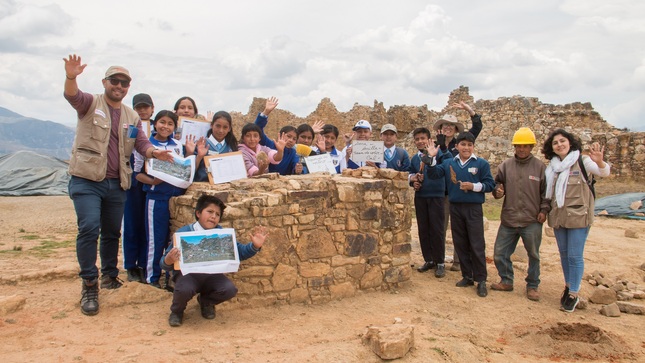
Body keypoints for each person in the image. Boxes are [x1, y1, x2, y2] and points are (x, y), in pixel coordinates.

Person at [63, 54, 173, 316]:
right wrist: (71, 77)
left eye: (124, 83)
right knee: (90, 227)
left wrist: (154, 153)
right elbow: (72, 96)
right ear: (105, 82)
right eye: (115, 81)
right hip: (87, 179)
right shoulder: (91, 103)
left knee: (113, 232)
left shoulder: (131, 116)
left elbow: (141, 143)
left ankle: (110, 276)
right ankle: (90, 282)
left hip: (116, 182)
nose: (119, 86)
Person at [161, 195, 268, 326]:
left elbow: (240, 252)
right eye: (210, 212)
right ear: (198, 213)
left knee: (229, 289)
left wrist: (255, 246)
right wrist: (169, 259)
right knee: (184, 289)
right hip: (188, 276)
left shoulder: (221, 234)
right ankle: (177, 311)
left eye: (217, 214)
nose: (213, 216)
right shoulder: (184, 233)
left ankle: (206, 302)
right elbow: (164, 264)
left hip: (212, 276)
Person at [542, 129, 610, 312]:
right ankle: (568, 285)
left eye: (562, 141)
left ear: (570, 143)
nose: (559, 145)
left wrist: (599, 161)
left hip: (578, 216)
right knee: (564, 254)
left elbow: (604, 172)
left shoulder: (583, 161)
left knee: (575, 255)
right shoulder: (552, 168)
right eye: (555, 143)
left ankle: (573, 293)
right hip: (559, 217)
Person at [423, 132, 495, 297]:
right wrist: (431, 159)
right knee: (460, 242)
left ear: (473, 147)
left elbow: (490, 184)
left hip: (473, 208)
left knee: (476, 244)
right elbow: (434, 174)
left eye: (470, 145)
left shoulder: (481, 163)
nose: (466, 148)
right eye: (463, 144)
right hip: (455, 207)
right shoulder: (449, 163)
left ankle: (481, 280)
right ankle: (467, 276)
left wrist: (474, 187)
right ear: (457, 146)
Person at [490, 127, 550, 301]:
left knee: (533, 255)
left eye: (525, 146)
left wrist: (544, 210)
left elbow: (546, 193)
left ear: (531, 147)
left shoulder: (540, 168)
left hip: (531, 219)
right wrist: (497, 191)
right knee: (500, 253)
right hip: (509, 218)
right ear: (514, 147)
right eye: (518, 146)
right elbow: (496, 186)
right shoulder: (506, 166)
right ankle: (506, 280)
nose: (521, 149)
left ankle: (532, 285)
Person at [135, 110, 187, 288]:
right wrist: (153, 181)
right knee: (155, 239)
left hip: (176, 199)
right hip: (156, 198)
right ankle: (152, 277)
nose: (166, 126)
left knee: (172, 240)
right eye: (162, 122)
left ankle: (169, 277)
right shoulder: (145, 145)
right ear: (155, 123)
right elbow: (136, 174)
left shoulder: (178, 146)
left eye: (170, 124)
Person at [433, 102, 483, 272]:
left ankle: (457, 261)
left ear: (455, 130)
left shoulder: (461, 144)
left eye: (451, 126)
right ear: (440, 128)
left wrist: (469, 110)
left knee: (459, 229)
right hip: (441, 192)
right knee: (441, 228)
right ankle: (439, 260)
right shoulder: (434, 145)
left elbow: (477, 127)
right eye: (445, 125)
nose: (448, 128)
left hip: (456, 193)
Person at [123, 93, 155, 283]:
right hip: (134, 183)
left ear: (152, 108)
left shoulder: (159, 126)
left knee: (147, 225)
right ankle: (130, 265)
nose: (143, 110)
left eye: (146, 107)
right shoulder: (130, 128)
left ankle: (144, 264)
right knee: (132, 224)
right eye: (139, 107)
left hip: (153, 183)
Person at [408, 127, 446, 278]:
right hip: (421, 196)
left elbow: (443, 169)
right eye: (417, 139)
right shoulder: (415, 158)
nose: (420, 141)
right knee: (423, 229)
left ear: (429, 139)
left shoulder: (439, 154)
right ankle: (429, 259)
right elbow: (411, 174)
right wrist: (414, 182)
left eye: (423, 138)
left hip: (436, 195)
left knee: (437, 229)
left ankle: (440, 262)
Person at [192, 110, 238, 182]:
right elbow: (190, 171)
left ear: (229, 129)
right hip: (202, 186)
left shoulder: (231, 147)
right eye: (218, 126)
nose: (221, 130)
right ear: (211, 125)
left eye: (225, 127)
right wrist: (199, 156)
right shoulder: (201, 144)